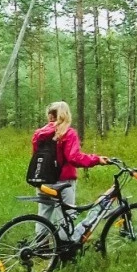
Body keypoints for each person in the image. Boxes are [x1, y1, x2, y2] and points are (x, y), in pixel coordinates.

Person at [32, 101, 109, 237]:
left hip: (42, 181)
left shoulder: (39, 134)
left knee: (43, 215)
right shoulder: (68, 133)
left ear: (50, 115)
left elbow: (35, 157)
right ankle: (65, 250)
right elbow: (74, 158)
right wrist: (96, 159)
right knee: (65, 218)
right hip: (63, 182)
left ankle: (40, 247)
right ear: (65, 114)